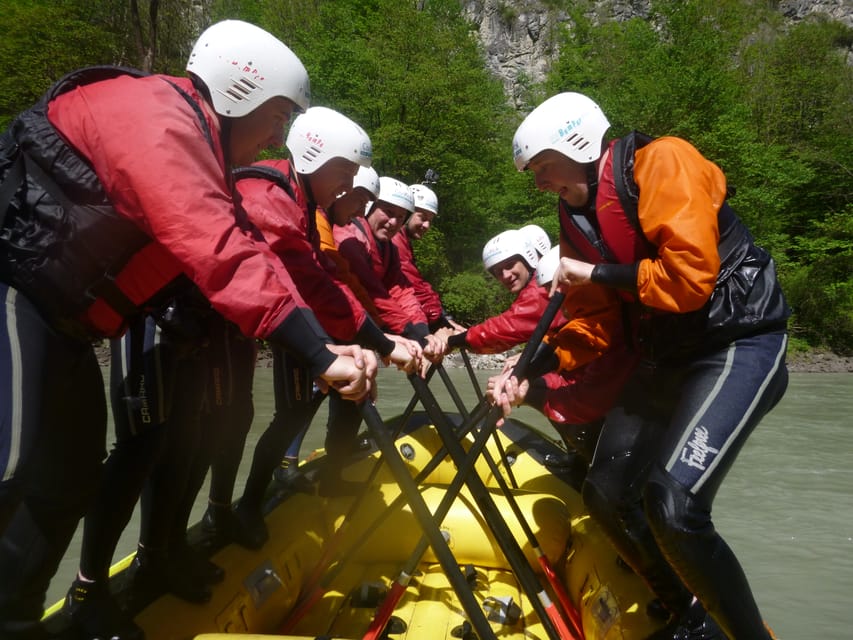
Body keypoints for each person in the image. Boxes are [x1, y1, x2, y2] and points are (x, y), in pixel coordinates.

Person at [0, 19, 376, 640]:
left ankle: (20, 618)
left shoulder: (201, 148)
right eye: (277, 115)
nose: (280, 134)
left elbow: (254, 255)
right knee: (12, 467)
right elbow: (216, 245)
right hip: (14, 288)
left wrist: (326, 344)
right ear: (238, 94)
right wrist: (316, 352)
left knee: (69, 478)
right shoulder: (157, 116)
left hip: (62, 320)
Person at [494, 91, 790, 639]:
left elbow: (688, 280)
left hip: (737, 342)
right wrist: (531, 371)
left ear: (575, 146)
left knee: (673, 504)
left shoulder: (663, 161)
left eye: (542, 168)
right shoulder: (575, 211)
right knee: (605, 493)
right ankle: (686, 611)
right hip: (667, 355)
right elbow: (596, 324)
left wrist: (595, 273)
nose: (538, 183)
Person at [203, 106, 422, 548]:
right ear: (312, 158)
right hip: (229, 327)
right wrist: (373, 344)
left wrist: (374, 341)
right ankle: (219, 517)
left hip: (279, 326)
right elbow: (311, 284)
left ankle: (233, 510)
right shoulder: (273, 196)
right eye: (346, 176)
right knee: (202, 432)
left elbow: (323, 283)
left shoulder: (304, 205)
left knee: (249, 417)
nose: (352, 190)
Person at [391, 183, 456, 331]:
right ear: (407, 213)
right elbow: (413, 285)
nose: (426, 225)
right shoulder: (395, 242)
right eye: (422, 217)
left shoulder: (401, 241)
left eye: (430, 220)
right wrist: (439, 320)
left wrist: (442, 315)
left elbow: (419, 283)